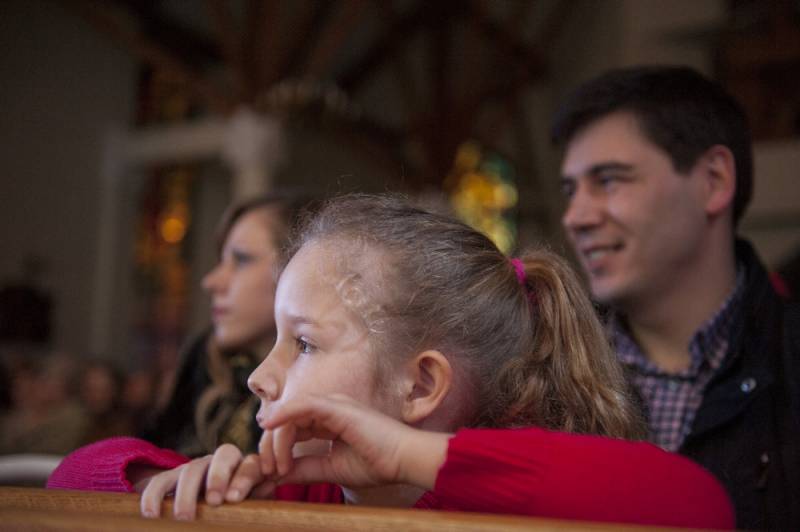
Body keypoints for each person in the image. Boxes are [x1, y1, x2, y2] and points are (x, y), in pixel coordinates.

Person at [49, 194, 733, 529]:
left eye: (304, 343)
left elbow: (697, 505)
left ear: (420, 385)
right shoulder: (307, 493)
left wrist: (406, 456)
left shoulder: (508, 502)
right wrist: (174, 481)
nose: (259, 375)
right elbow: (70, 481)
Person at [551, 65, 800, 529]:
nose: (575, 217)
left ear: (713, 181)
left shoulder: (790, 359)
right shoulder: (545, 370)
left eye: (609, 180)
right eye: (571, 190)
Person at [140, 193, 309, 457]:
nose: (210, 282)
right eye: (222, 260)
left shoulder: (321, 386)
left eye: (241, 259)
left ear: (299, 269)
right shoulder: (204, 359)